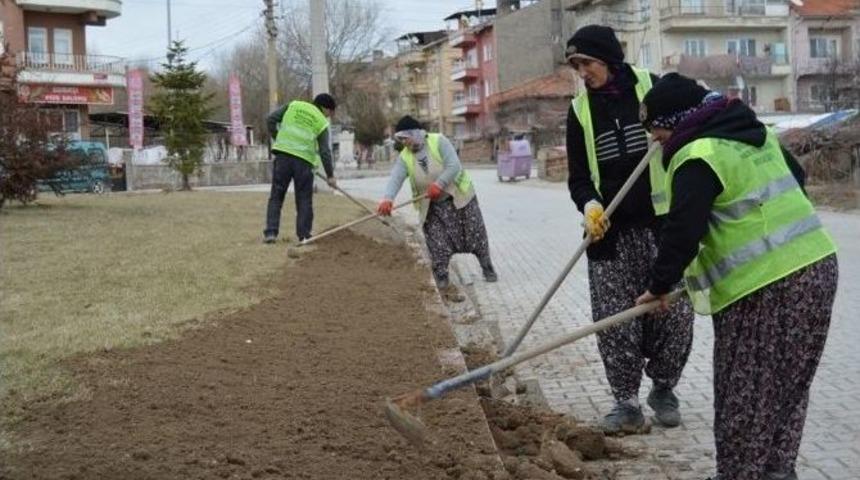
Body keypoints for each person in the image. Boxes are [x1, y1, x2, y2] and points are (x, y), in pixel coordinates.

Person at [636, 73, 838, 480]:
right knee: (786, 389)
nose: (655, 139)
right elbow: (796, 181)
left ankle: (740, 474)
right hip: (817, 267)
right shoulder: (753, 135)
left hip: (766, 288)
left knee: (743, 396)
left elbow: (682, 232)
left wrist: (657, 287)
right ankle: (777, 472)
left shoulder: (697, 154)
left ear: (674, 120)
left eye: (655, 128)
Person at [565, 25, 695, 434]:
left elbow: (686, 137)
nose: (581, 72)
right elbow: (579, 177)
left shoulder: (652, 88)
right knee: (615, 318)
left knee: (673, 315)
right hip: (611, 235)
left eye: (586, 62)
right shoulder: (580, 111)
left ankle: (664, 388)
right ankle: (625, 402)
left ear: (609, 58)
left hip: (661, 226)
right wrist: (590, 206)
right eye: (574, 65)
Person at [376, 115, 497, 292]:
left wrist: (439, 184)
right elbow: (396, 178)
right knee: (436, 242)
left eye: (405, 138)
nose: (404, 143)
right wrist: (388, 198)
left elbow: (453, 165)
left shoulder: (438, 141)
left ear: (415, 133)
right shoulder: (405, 156)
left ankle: (486, 266)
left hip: (459, 198)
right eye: (401, 140)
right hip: (433, 206)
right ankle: (441, 277)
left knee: (475, 234)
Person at [263, 93, 338, 243]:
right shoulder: (321, 122)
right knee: (304, 198)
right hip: (303, 161)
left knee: (276, 196)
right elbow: (325, 151)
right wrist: (330, 175)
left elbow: (270, 119)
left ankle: (271, 233)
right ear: (325, 108)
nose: (329, 116)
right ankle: (304, 235)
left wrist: (278, 137)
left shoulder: (293, 105)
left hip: (283, 156)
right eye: (330, 112)